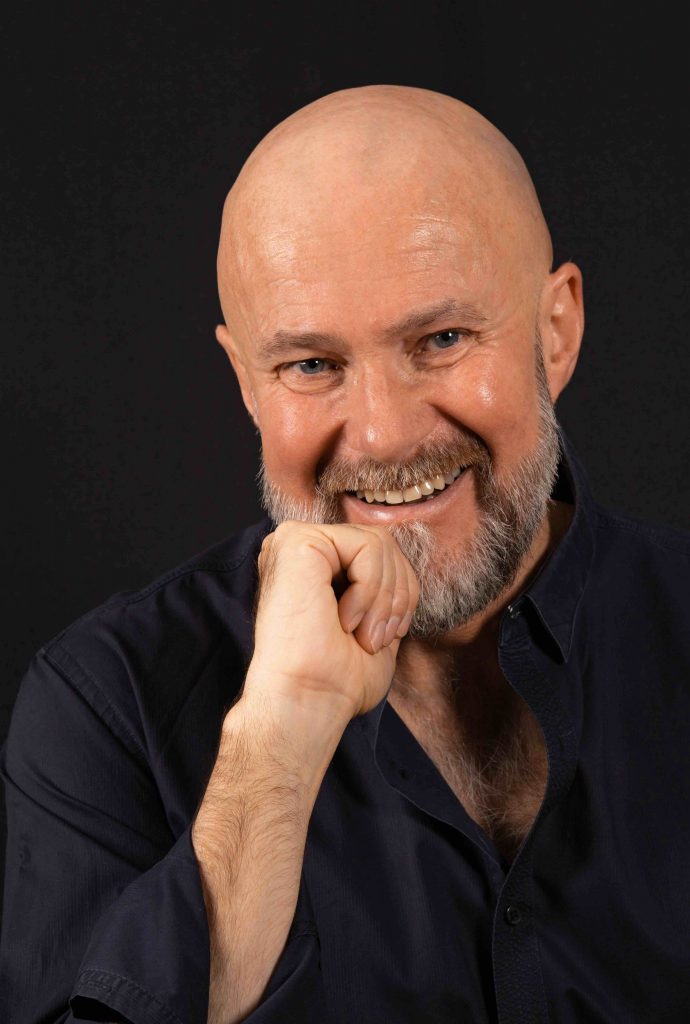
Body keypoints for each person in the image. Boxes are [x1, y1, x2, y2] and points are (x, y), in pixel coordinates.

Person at [1, 85, 689, 1024]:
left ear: (556, 330)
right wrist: (277, 747)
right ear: (247, 383)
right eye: (311, 365)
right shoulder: (107, 703)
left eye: (441, 339)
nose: (382, 435)